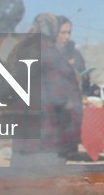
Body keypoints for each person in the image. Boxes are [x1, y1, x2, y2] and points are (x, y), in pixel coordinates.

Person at [8, 12, 84, 167]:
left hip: (21, 144)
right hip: (47, 145)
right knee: (45, 188)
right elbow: (64, 99)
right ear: (53, 32)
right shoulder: (52, 56)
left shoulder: (17, 53)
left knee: (19, 189)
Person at [55, 15, 90, 93]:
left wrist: (84, 78)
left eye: (69, 33)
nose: (67, 36)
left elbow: (86, 82)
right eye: (63, 33)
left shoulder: (76, 54)